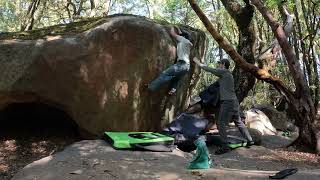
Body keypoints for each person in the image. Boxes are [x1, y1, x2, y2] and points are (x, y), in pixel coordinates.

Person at [193, 57, 254, 155]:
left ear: (223, 65)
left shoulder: (225, 72)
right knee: (238, 122)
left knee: (221, 123)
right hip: (234, 102)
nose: (218, 66)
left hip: (228, 102)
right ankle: (250, 140)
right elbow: (214, 87)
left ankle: (225, 147)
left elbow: (210, 70)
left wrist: (199, 64)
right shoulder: (227, 76)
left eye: (220, 64)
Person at [147, 26, 193, 95]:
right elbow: (180, 34)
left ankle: (151, 87)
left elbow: (172, 34)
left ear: (183, 37)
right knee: (176, 79)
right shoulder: (188, 44)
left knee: (166, 73)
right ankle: (173, 90)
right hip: (186, 67)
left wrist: (171, 26)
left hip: (181, 64)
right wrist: (179, 30)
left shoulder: (183, 40)